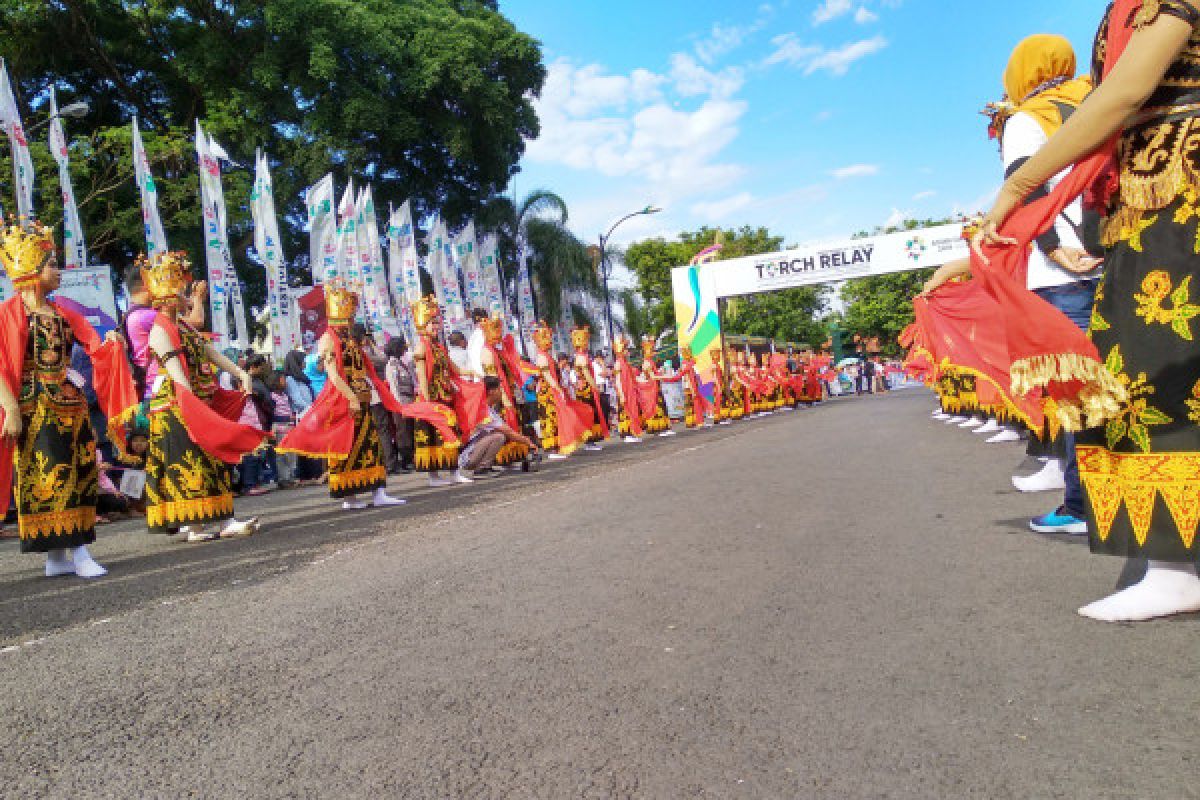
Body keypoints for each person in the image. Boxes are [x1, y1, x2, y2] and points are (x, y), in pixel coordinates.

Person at [972, 0, 1200, 621]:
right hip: (1144, 209)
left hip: (1177, 205)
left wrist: (1019, 196)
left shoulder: (1029, 118)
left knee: (1150, 376)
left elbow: (1126, 94)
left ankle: (1176, 565)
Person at [0, 220, 137, 577]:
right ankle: (72, 553)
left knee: (80, 473)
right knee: (48, 476)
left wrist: (112, 345)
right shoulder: (9, 314)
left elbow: (94, 343)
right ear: (31, 270)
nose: (57, 271)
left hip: (69, 404)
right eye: (51, 265)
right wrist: (10, 408)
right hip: (35, 407)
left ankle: (60, 557)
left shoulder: (62, 311)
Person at [141, 251, 266, 542]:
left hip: (191, 401)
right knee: (193, 463)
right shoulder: (160, 329)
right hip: (178, 404)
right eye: (184, 291)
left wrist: (240, 372)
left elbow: (209, 353)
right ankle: (212, 522)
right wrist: (194, 405)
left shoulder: (183, 326)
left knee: (205, 460)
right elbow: (176, 373)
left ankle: (203, 523)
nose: (188, 295)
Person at [279, 286, 407, 509]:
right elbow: (333, 374)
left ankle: (378, 491)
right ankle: (350, 497)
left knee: (371, 445)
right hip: (344, 402)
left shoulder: (350, 338)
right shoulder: (328, 339)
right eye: (345, 316)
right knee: (345, 447)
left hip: (363, 397)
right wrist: (351, 398)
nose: (348, 320)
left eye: (350, 315)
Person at [410, 296, 471, 486]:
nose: (436, 327)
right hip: (431, 397)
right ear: (422, 325)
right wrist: (427, 402)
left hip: (444, 396)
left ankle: (454, 472)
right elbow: (422, 377)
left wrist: (472, 372)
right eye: (431, 323)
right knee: (433, 436)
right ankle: (434, 476)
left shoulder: (439, 347)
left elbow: (454, 369)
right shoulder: (421, 347)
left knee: (450, 434)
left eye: (437, 323)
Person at [457, 376, 535, 479]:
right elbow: (509, 432)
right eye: (500, 389)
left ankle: (484, 467)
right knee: (499, 436)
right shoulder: (484, 411)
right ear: (492, 391)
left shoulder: (486, 407)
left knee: (498, 435)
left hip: (471, 451)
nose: (502, 393)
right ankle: (482, 469)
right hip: (466, 457)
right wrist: (529, 443)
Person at [533, 321, 589, 459]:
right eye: (546, 338)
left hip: (552, 390)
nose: (549, 341)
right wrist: (557, 389)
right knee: (549, 418)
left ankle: (557, 446)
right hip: (547, 392)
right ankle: (551, 449)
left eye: (549, 338)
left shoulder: (547, 356)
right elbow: (547, 376)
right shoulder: (541, 357)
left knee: (556, 418)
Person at [570, 326, 609, 450]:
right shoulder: (581, 357)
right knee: (588, 414)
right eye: (585, 341)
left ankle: (590, 441)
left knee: (590, 414)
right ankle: (589, 442)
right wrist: (595, 387)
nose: (587, 344)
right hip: (585, 390)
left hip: (584, 389)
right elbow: (586, 375)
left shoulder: (581, 356)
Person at [384, 337, 417, 473]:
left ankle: (411, 457)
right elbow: (394, 387)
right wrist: (399, 406)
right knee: (403, 432)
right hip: (400, 402)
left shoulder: (403, 363)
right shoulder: (392, 365)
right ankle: (406, 459)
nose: (405, 348)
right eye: (403, 346)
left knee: (410, 429)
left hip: (409, 400)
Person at [639, 335, 675, 436]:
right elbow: (652, 377)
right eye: (650, 350)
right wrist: (665, 376)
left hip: (655, 387)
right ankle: (659, 429)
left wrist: (661, 374)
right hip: (651, 389)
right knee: (657, 408)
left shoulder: (650, 362)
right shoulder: (647, 363)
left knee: (661, 407)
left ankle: (663, 428)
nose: (653, 352)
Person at [612, 335, 645, 443]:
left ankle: (632, 432)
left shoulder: (625, 363)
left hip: (629, 390)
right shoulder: (618, 363)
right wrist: (621, 394)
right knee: (625, 412)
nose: (628, 352)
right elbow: (617, 380)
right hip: (624, 391)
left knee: (632, 411)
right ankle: (627, 434)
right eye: (626, 349)